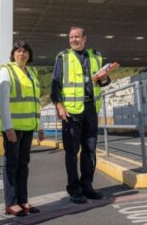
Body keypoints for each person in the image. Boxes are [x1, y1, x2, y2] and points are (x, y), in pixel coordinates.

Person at [50, 27, 110, 204]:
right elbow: (55, 84)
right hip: (71, 112)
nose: (73, 40)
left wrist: (104, 76)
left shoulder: (96, 56)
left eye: (77, 37)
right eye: (71, 37)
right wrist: (58, 105)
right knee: (71, 152)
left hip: (90, 109)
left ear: (85, 38)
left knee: (90, 150)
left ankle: (87, 186)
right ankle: (74, 189)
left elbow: (103, 82)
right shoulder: (63, 57)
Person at [0, 41, 44, 217]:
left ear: (29, 55)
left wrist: (40, 126)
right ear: (13, 54)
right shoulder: (6, 70)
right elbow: (3, 100)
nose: (21, 54)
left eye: (25, 51)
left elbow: (36, 101)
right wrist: (7, 126)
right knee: (11, 164)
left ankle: (23, 200)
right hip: (13, 128)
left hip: (28, 127)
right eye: (18, 51)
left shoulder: (32, 73)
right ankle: (11, 202)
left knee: (23, 165)